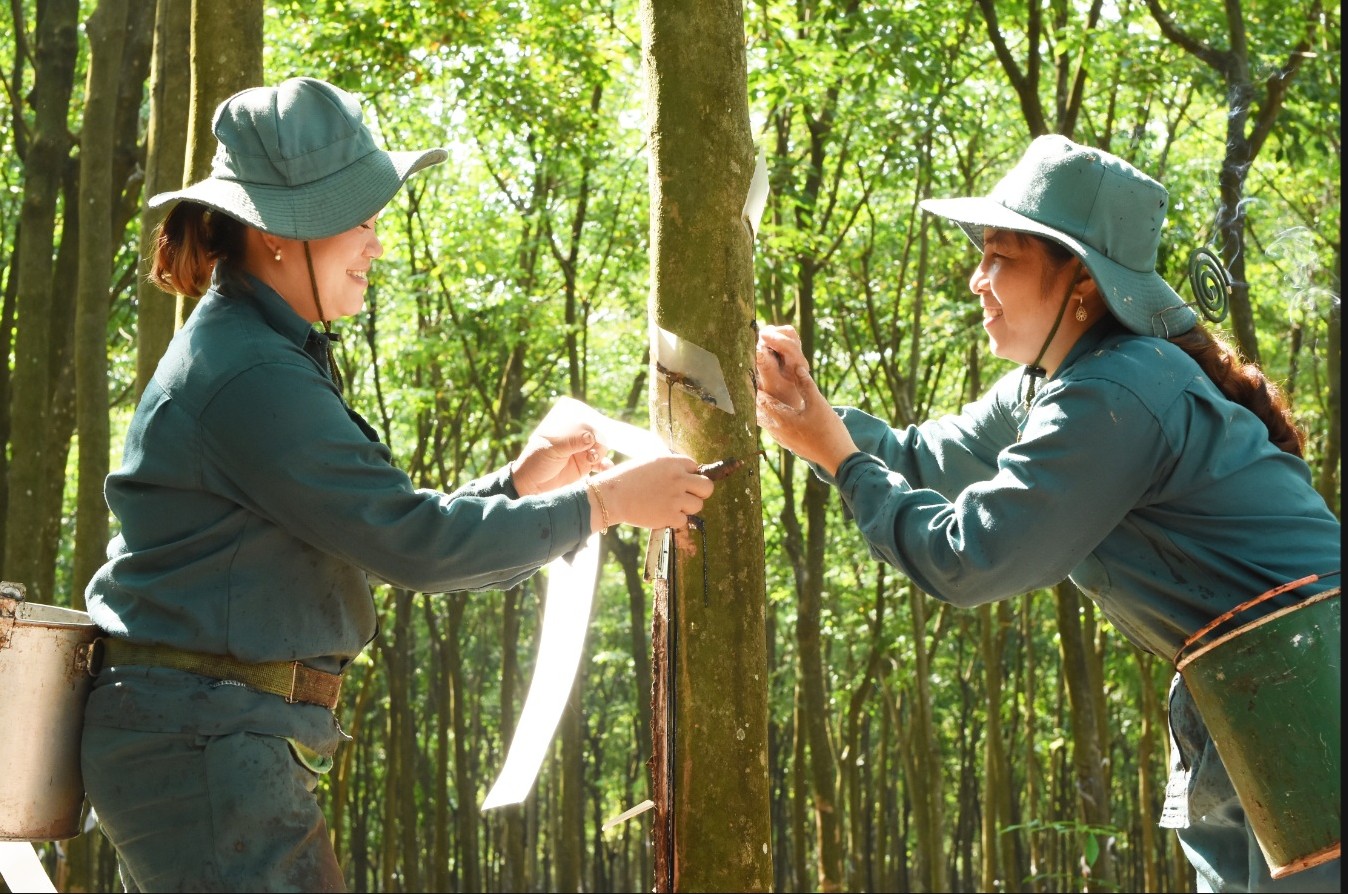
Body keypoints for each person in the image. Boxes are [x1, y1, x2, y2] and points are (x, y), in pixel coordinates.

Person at [81, 77, 714, 893]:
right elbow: (415, 545)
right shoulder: (249, 374)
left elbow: (370, 526)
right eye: (361, 220)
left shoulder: (259, 350)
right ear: (278, 234)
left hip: (211, 738)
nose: (376, 245)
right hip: (204, 746)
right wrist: (605, 504)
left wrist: (519, 485)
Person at [754, 134, 1340, 893]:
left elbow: (970, 558)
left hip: (1310, 685)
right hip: (1249, 693)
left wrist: (840, 460)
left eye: (1001, 256)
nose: (977, 279)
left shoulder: (1117, 390)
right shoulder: (1057, 386)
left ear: (1083, 280)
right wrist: (803, 401)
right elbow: (917, 459)